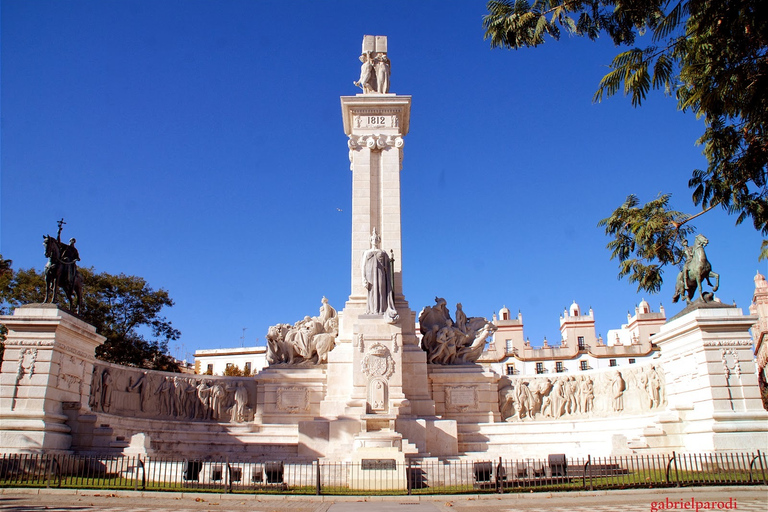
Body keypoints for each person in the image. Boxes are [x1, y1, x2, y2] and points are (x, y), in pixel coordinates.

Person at [361, 228, 398, 323]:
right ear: (370, 240)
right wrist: (363, 278)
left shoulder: (383, 252)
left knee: (381, 290)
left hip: (380, 274)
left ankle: (382, 309)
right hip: (369, 274)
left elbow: (388, 266)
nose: (375, 240)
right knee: (372, 292)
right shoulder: (366, 252)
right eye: (373, 239)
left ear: (379, 240)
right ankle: (372, 310)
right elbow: (363, 265)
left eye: (376, 239)